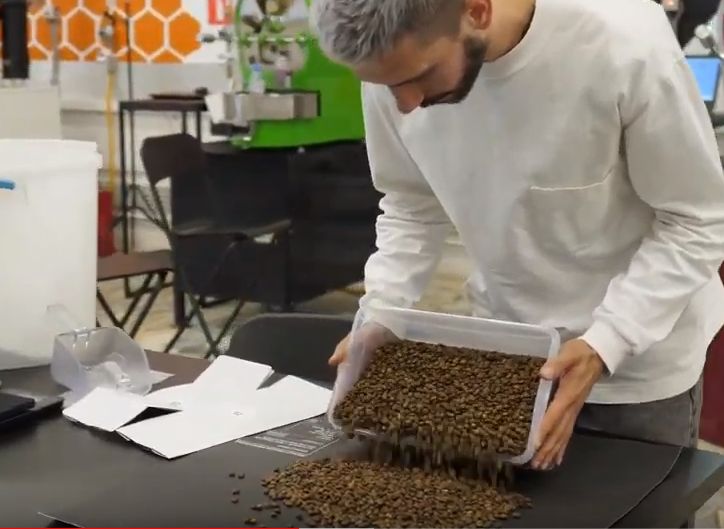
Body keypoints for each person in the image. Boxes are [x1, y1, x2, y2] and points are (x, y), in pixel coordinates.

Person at [312, 0, 724, 470]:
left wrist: (607, 341)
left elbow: (697, 218)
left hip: (638, 372)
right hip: (509, 356)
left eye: (420, 76)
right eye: (385, 87)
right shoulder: (396, 64)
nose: (405, 105)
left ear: (477, 11)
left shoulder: (624, 44)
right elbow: (411, 204)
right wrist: (382, 310)